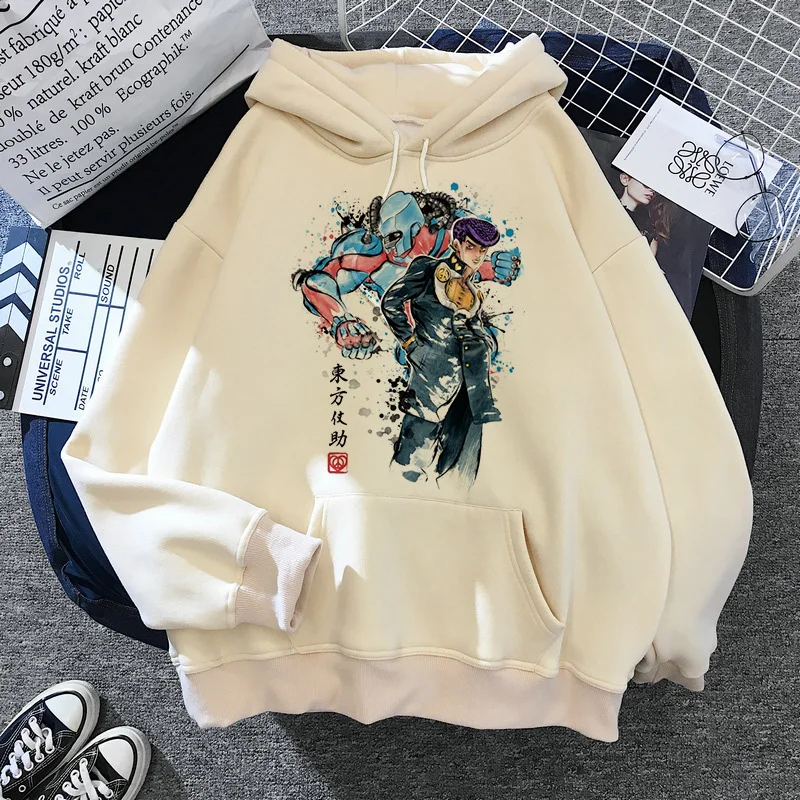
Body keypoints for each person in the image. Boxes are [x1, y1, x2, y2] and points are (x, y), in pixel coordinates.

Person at [380, 216, 518, 485]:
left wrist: (485, 345)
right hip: (430, 383)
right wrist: (410, 345)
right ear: (456, 245)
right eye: (471, 246)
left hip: (469, 388)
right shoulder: (429, 269)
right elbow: (391, 303)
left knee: (455, 469)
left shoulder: (473, 292)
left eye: (482, 250)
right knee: (411, 466)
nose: (477, 255)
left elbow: (475, 328)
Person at [618, 173, 672, 258]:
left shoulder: (651, 228)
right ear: (625, 179)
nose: (651, 190)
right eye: (646, 182)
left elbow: (647, 262)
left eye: (655, 187)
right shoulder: (607, 208)